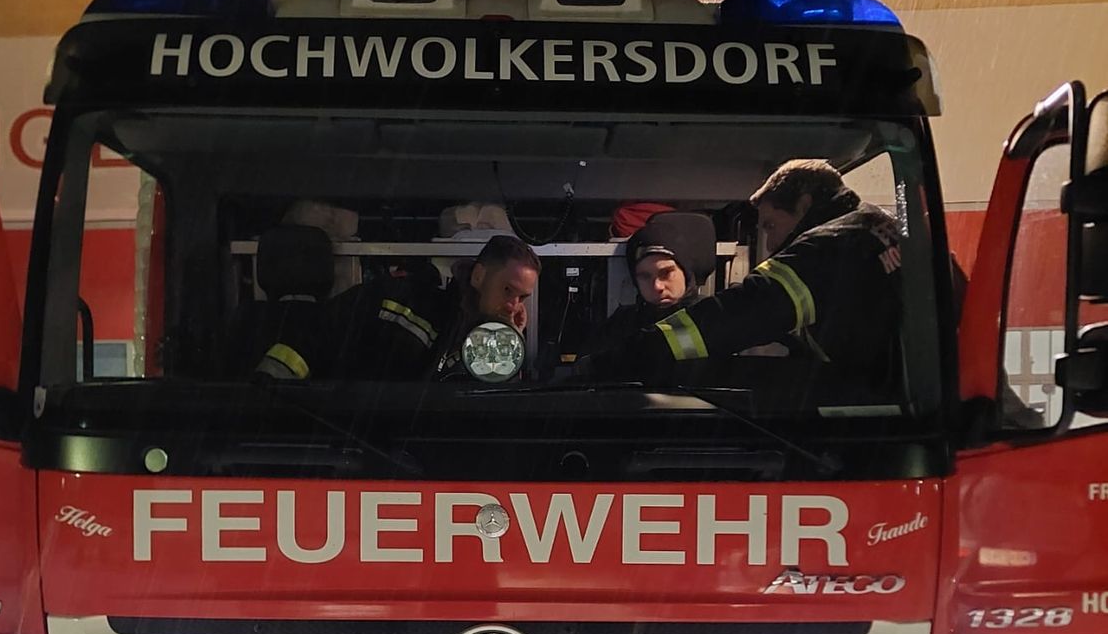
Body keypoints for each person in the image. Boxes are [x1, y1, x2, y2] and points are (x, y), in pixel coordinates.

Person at [582, 160, 903, 389]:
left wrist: (623, 357)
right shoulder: (875, 228)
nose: (773, 242)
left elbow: (743, 312)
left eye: (771, 226)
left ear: (804, 205)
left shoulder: (829, 246)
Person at [343, 233, 540, 380]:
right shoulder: (409, 311)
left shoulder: (481, 339)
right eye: (507, 290)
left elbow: (494, 405)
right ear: (479, 276)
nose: (513, 306)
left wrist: (512, 338)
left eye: (522, 297)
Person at [597, 211, 718, 355]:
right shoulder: (620, 325)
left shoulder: (709, 317)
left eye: (666, 273)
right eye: (645, 276)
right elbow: (586, 369)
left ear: (685, 272)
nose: (657, 286)